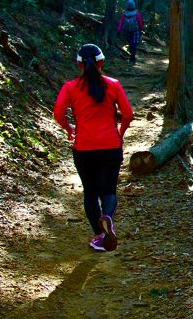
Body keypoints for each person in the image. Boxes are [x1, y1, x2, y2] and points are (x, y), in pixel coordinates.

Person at [53, 44, 134, 252]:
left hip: (84, 148)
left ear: (79, 64)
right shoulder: (113, 85)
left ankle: (99, 235)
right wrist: (120, 133)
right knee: (108, 190)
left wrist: (69, 128)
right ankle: (107, 217)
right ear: (102, 63)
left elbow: (58, 113)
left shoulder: (70, 87)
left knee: (90, 192)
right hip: (110, 146)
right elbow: (128, 113)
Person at [116, 0, 144, 64]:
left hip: (127, 31)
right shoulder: (137, 14)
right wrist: (141, 30)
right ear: (134, 5)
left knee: (131, 44)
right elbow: (140, 23)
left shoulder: (124, 14)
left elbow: (121, 22)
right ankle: (132, 58)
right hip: (136, 31)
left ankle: (132, 58)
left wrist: (119, 30)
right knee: (134, 44)